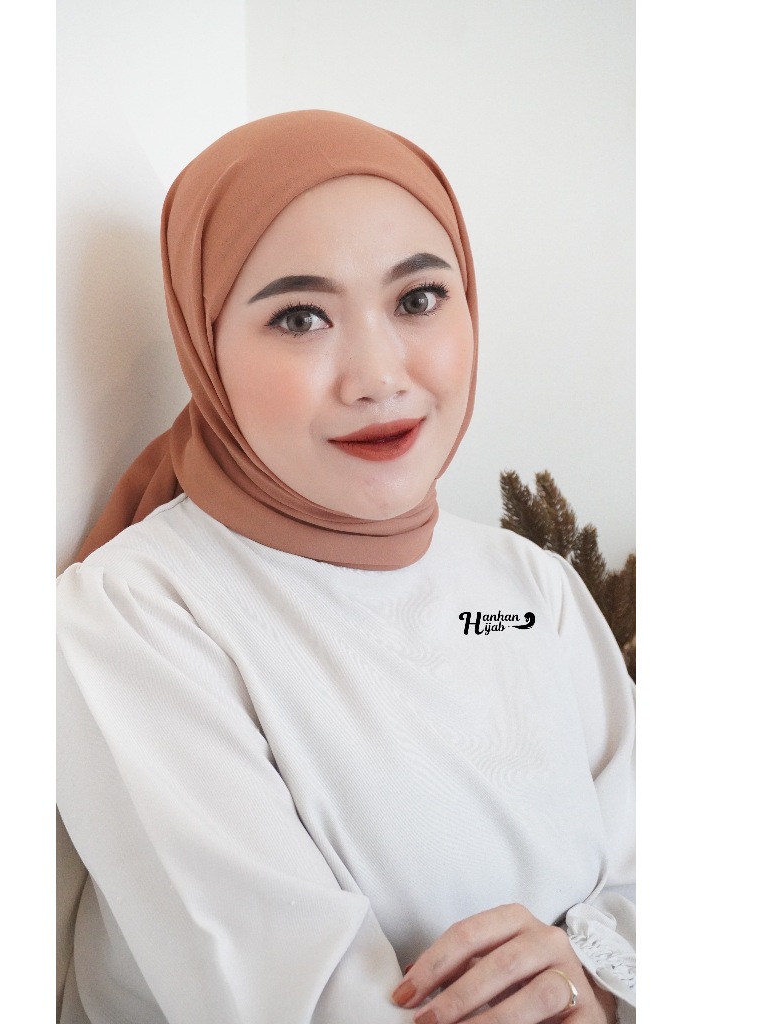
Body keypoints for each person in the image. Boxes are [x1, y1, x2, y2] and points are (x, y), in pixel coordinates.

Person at [57, 110, 635, 1024]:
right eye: (300, 316)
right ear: (204, 346)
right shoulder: (134, 613)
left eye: (419, 299)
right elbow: (288, 995)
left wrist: (596, 974)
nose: (378, 376)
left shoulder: (532, 587)